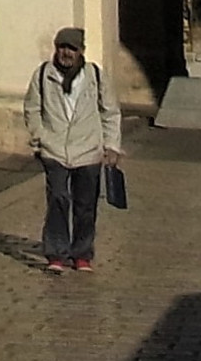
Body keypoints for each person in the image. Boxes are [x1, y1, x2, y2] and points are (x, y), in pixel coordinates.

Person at [22, 26, 124, 273]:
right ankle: (56, 253)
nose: (65, 53)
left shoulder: (95, 76)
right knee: (58, 198)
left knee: (85, 204)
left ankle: (81, 253)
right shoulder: (43, 75)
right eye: (61, 47)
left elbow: (110, 112)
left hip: (88, 149)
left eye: (71, 48)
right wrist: (39, 137)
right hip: (54, 148)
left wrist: (111, 145)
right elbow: (32, 108)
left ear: (81, 52)